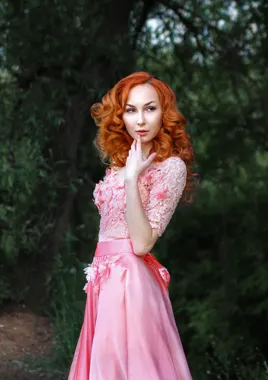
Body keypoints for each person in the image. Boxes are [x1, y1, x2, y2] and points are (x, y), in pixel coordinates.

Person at [67, 72, 195, 380]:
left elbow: (141, 244)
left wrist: (134, 177)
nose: (140, 119)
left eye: (150, 108)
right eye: (131, 109)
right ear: (120, 116)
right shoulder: (120, 162)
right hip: (102, 279)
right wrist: (129, 171)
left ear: (164, 113)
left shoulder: (170, 168)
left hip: (130, 282)